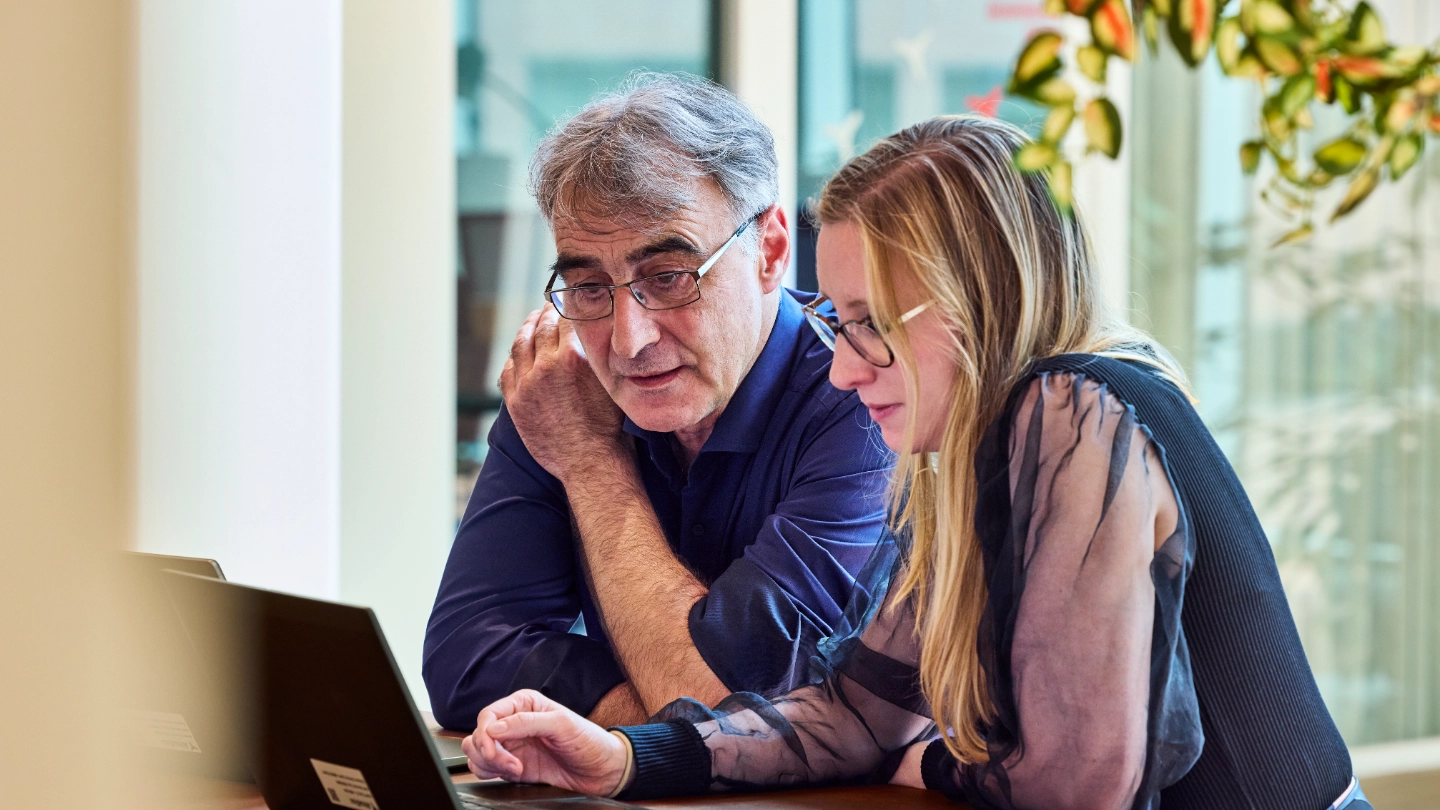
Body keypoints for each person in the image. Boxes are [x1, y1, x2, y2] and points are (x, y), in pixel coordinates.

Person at [459, 115, 1371, 810]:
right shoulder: (970, 455)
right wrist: (623, 759)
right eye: (837, 324)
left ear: (978, 298)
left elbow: (1081, 783)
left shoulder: (1073, 405)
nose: (846, 367)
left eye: (870, 327)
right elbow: (856, 712)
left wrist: (913, 761)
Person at [423, 74, 894, 732]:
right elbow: (463, 662)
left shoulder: (866, 394)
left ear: (772, 251)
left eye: (669, 277)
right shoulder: (561, 390)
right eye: (588, 286)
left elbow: (723, 703)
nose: (627, 340)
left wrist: (592, 465)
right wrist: (657, 715)